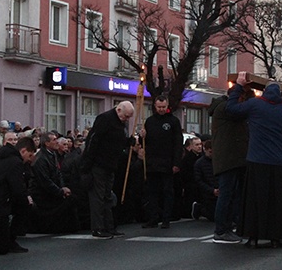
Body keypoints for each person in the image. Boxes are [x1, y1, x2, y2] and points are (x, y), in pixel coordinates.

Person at [225, 72, 282, 247]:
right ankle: (275, 237)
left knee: (255, 201)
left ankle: (253, 236)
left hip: (257, 159)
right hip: (280, 161)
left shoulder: (254, 105)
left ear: (265, 92)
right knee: (277, 201)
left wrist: (238, 86)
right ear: (281, 94)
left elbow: (231, 110)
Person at [81, 101, 134, 239]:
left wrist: (128, 142)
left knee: (107, 196)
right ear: (119, 110)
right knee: (98, 197)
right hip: (98, 163)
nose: (126, 119)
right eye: (126, 116)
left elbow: (116, 141)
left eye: (128, 117)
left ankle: (109, 226)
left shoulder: (119, 123)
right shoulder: (105, 119)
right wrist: (87, 165)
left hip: (110, 164)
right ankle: (98, 228)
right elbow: (93, 141)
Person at [0, 137, 36, 254]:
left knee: (3, 242)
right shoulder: (15, 162)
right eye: (29, 155)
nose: (30, 159)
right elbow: (17, 188)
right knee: (3, 247)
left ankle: (8, 240)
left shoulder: (3, 158)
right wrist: (26, 199)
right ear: (23, 151)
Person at [209, 91, 249, 244]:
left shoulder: (222, 108)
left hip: (230, 159)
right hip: (229, 159)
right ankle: (221, 230)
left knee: (230, 195)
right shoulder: (225, 108)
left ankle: (227, 228)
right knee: (226, 195)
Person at [141, 95, 183, 229]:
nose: (161, 109)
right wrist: (143, 137)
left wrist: (176, 163)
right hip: (152, 162)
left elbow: (178, 144)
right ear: (154, 106)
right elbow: (146, 144)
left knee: (167, 192)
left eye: (163, 107)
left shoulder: (173, 121)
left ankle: (166, 219)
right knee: (152, 192)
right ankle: (153, 218)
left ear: (167, 105)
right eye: (159, 107)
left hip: (167, 162)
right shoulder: (149, 121)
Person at [31, 131, 78, 233]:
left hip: (53, 190)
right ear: (47, 143)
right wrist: (60, 192)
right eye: (54, 140)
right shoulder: (41, 159)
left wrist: (63, 187)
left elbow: (58, 173)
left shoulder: (52, 155)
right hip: (43, 194)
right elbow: (45, 181)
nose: (57, 142)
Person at [192, 140, 218, 221]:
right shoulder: (199, 164)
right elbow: (198, 181)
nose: (212, 154)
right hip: (207, 193)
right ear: (205, 150)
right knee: (213, 216)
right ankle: (199, 208)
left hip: (215, 190)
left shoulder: (216, 161)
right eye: (210, 152)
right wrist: (211, 190)